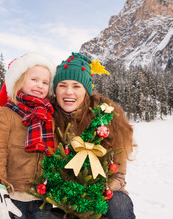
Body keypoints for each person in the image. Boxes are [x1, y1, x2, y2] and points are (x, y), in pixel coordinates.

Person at [51, 52, 136, 219]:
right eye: (62, 85)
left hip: (105, 194)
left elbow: (118, 173)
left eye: (76, 86)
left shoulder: (107, 116)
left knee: (118, 205)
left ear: (86, 90)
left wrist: (97, 193)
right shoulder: (48, 116)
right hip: (65, 195)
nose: (69, 92)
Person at [0, 52, 56, 219]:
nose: (40, 85)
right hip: (13, 195)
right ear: (19, 80)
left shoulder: (48, 115)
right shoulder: (5, 114)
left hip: (42, 196)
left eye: (45, 82)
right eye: (34, 79)